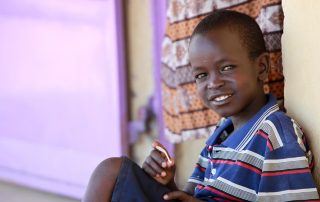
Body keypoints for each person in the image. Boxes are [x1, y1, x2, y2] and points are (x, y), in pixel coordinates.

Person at [82, 10, 319, 202]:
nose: (213, 83)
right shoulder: (221, 133)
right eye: (201, 75)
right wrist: (168, 184)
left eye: (227, 68)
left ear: (262, 67)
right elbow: (194, 195)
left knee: (110, 172)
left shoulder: (275, 135)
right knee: (111, 172)